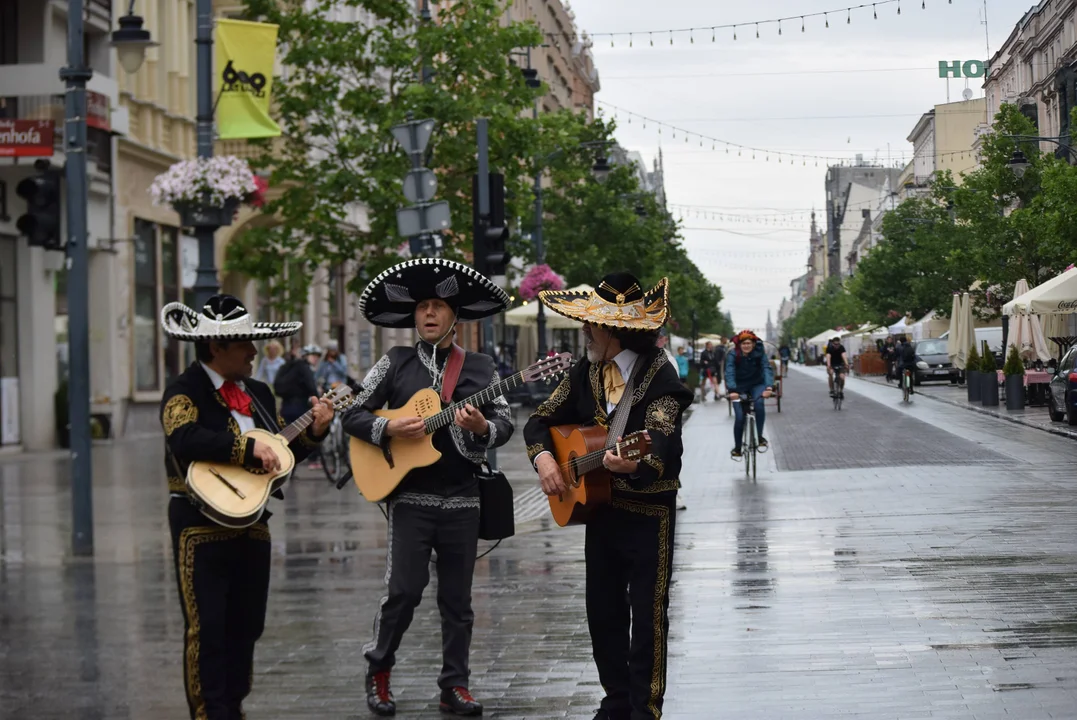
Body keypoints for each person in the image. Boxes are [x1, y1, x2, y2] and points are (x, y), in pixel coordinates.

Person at [342, 258, 514, 717]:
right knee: (403, 590)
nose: (429, 314)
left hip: (463, 499)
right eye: (422, 307)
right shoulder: (394, 362)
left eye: (438, 306)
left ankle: (454, 685)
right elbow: (353, 414)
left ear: (454, 315)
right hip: (410, 500)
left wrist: (481, 427)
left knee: (458, 601)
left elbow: (505, 424)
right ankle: (378, 670)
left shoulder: (480, 367)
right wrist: (390, 429)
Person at [524, 272, 693, 720]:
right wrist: (543, 459)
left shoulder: (661, 376)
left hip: (647, 512)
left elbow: (662, 436)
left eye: (591, 324)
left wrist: (636, 461)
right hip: (598, 511)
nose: (585, 331)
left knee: (648, 616)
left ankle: (644, 709)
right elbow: (539, 420)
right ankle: (615, 700)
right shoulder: (585, 372)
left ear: (612, 330)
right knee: (602, 613)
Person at [158, 295, 333, 720]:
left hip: (253, 524)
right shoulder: (184, 391)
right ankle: (209, 711)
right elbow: (183, 440)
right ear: (215, 348)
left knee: (248, 626)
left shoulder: (257, 392)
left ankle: (233, 706)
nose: (254, 353)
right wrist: (243, 447)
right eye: (243, 345)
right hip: (199, 525)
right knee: (208, 628)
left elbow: (276, 457)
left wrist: (314, 434)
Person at [724, 330, 775, 459]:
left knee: (759, 403)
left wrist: (768, 387)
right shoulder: (733, 355)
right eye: (743, 343)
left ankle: (759, 437)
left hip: (756, 384)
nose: (746, 346)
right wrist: (732, 390)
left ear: (753, 344)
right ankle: (737, 447)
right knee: (740, 417)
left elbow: (766, 368)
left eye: (749, 343)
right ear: (739, 345)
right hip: (738, 387)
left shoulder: (760, 354)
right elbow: (729, 371)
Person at [275, 344, 322, 424]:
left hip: (285, 408)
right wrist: (318, 398)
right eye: (313, 355)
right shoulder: (304, 367)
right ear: (305, 356)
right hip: (300, 408)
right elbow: (312, 387)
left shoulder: (290, 366)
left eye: (317, 356)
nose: (316, 358)